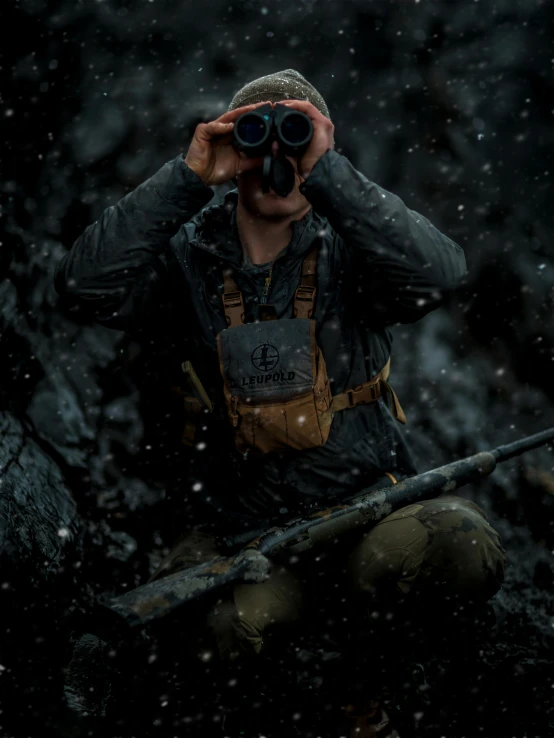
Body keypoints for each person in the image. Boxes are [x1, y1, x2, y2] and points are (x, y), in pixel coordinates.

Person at [55, 69, 507, 737]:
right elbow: (81, 288)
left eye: (294, 138)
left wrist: (330, 171)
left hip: (367, 516)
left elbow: (442, 273)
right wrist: (189, 176)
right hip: (244, 537)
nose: (276, 160)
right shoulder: (185, 259)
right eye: (255, 138)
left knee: (462, 545)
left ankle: (363, 682)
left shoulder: (355, 248)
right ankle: (275, 703)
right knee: (215, 631)